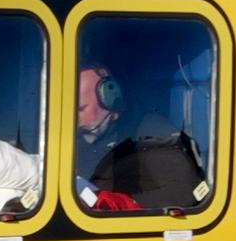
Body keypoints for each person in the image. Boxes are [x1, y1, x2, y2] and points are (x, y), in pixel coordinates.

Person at [70, 43, 210, 217]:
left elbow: (188, 189)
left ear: (111, 100)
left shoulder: (148, 133)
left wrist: (122, 204)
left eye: (80, 108)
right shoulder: (71, 145)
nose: (72, 116)